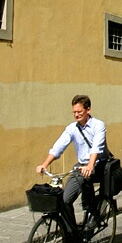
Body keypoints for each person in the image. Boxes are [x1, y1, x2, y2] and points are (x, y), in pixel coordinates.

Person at [36, 94, 110, 232]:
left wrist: (90, 165)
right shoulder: (72, 128)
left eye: (79, 112)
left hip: (98, 164)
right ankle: (72, 234)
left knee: (84, 176)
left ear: (88, 110)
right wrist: (45, 164)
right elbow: (59, 146)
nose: (76, 115)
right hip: (82, 166)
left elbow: (96, 147)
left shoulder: (98, 125)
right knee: (64, 200)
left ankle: (92, 212)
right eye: (74, 112)